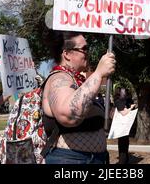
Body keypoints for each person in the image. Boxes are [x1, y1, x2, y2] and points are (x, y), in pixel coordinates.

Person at [42, 31, 115, 164]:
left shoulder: (78, 81)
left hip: (94, 159)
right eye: (84, 49)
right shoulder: (58, 78)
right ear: (67, 54)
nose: (88, 52)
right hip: (70, 159)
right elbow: (69, 115)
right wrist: (98, 73)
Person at [113, 87, 136, 164]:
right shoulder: (118, 101)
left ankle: (125, 159)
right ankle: (122, 160)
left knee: (125, 142)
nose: (124, 93)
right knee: (122, 142)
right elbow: (123, 113)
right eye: (123, 92)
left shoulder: (126, 101)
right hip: (121, 125)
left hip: (125, 124)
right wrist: (131, 108)